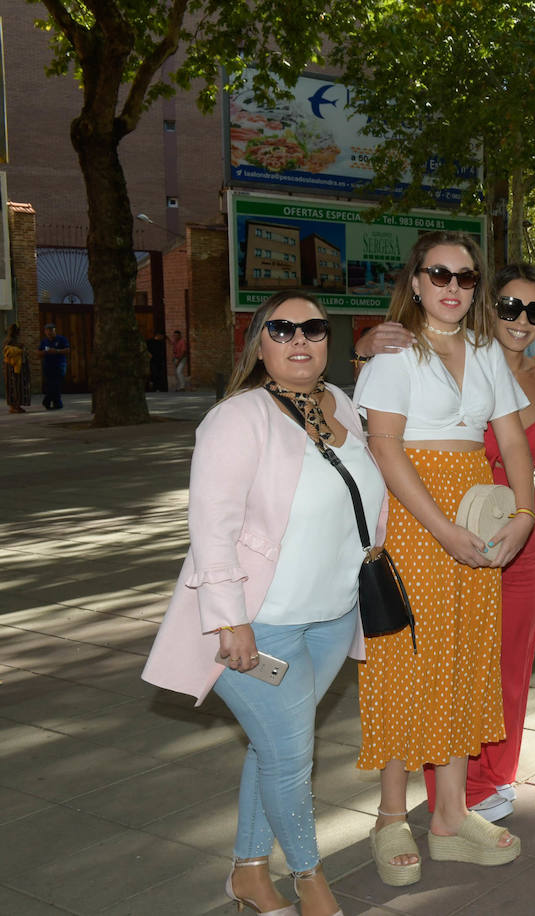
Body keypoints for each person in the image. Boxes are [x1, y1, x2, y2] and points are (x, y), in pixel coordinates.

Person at [142, 291, 384, 916]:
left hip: (334, 615)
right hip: (262, 621)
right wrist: (230, 618)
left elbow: (365, 497)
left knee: (275, 746)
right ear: (260, 343)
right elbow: (211, 527)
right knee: (289, 754)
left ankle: (249, 873)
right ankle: (312, 883)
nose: (299, 339)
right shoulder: (238, 417)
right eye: (282, 329)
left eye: (312, 328)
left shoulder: (343, 406)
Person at [355, 263, 535, 823]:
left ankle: (493, 778)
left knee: (509, 665)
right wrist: (366, 345)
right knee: (450, 662)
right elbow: (386, 419)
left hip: (520, 535)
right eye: (510, 307)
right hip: (449, 533)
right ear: (487, 307)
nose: (521, 321)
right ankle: (451, 790)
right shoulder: (452, 361)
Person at [351, 230, 535, 887]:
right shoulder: (394, 351)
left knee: (463, 654)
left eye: (465, 278)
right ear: (417, 280)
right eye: (440, 275)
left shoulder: (487, 350)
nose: (453, 288)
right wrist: (440, 530)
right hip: (413, 519)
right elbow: (386, 449)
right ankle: (391, 815)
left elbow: (511, 440)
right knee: (407, 659)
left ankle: (452, 816)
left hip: (476, 518)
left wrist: (523, 513)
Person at [39, 323, 70, 409]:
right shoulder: (44, 341)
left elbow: (67, 350)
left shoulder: (61, 339)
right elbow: (38, 353)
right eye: (47, 331)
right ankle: (56, 404)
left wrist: (56, 351)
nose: (49, 333)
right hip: (48, 366)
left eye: (51, 331)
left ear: (54, 331)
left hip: (59, 365)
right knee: (50, 385)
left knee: (56, 384)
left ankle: (47, 401)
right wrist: (45, 352)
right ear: (45, 332)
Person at [5, 324, 31, 413]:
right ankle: (14, 406)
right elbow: (8, 352)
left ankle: (16, 406)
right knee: (15, 385)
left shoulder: (15, 340)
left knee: (18, 386)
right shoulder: (9, 341)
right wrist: (20, 349)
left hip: (19, 367)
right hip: (13, 367)